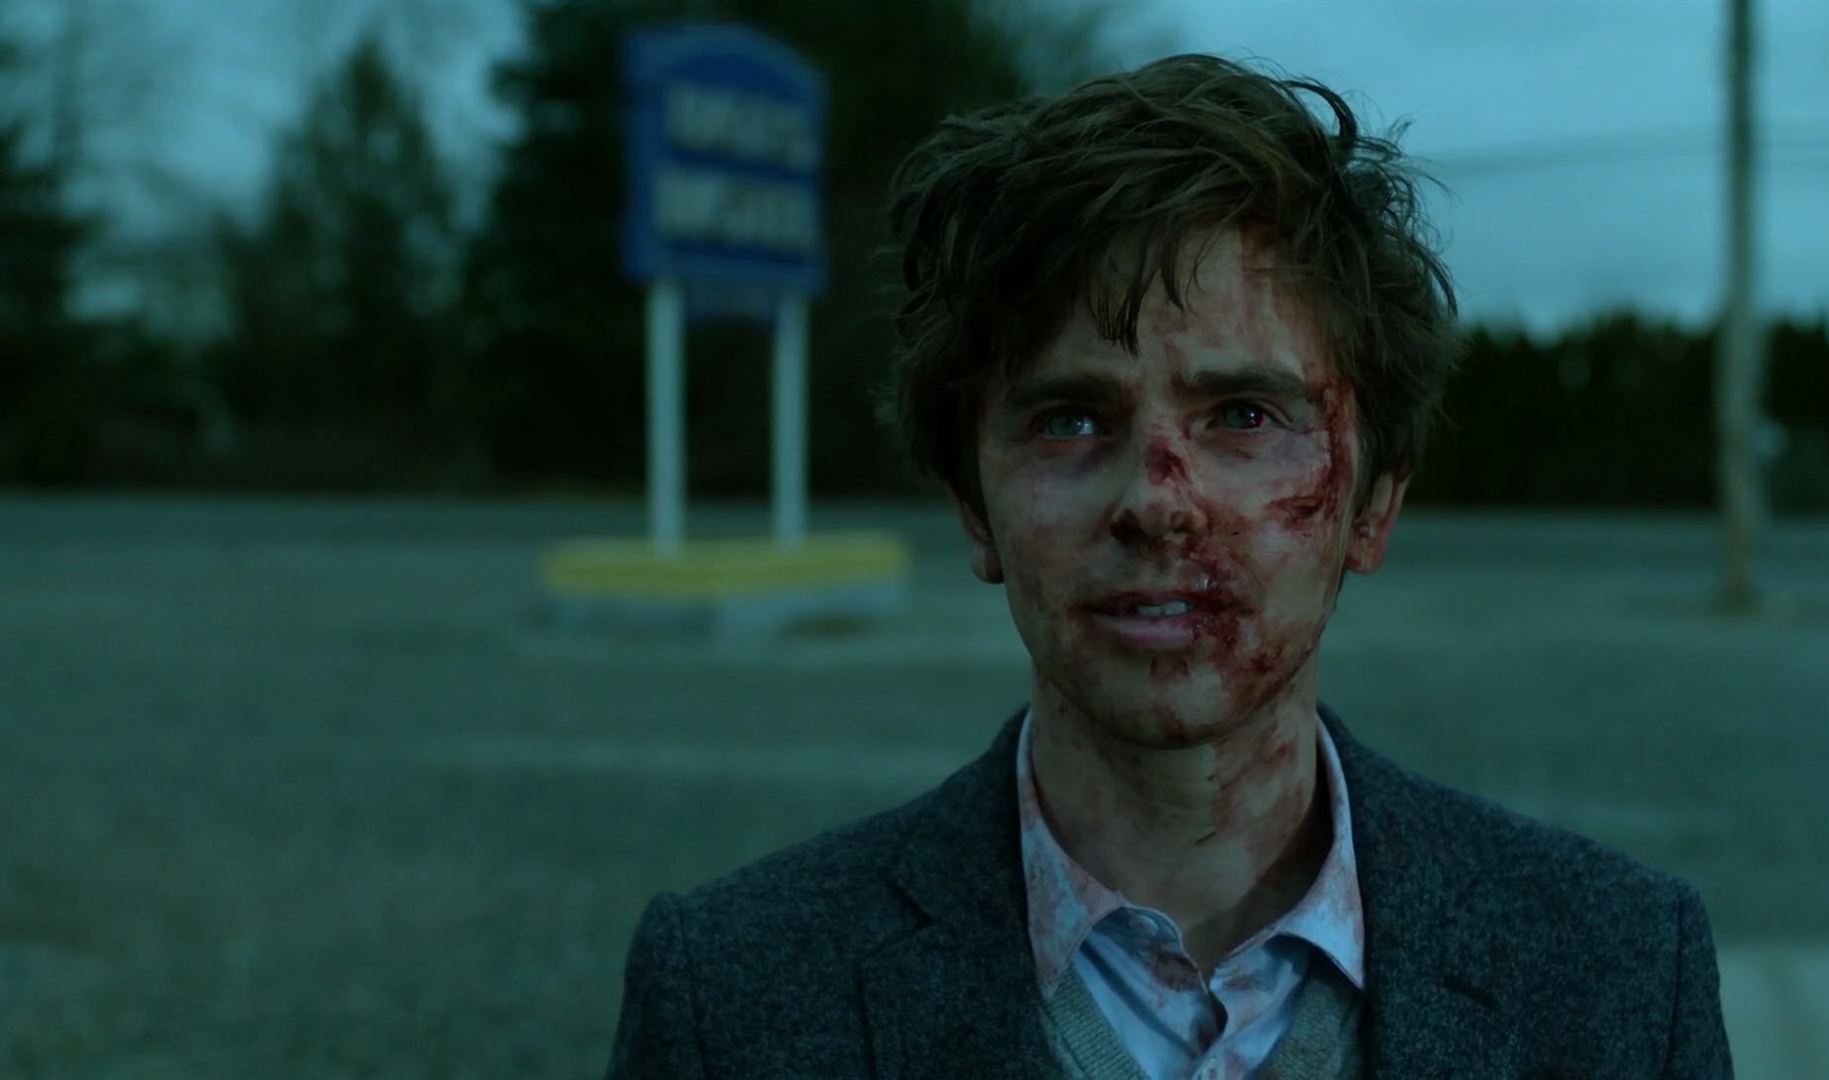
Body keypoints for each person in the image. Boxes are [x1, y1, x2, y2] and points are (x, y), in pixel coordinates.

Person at [605, 54, 1733, 1079]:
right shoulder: (731, 998)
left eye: (1244, 413)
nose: (1157, 501)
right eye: (1068, 419)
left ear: (1375, 502)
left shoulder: (1622, 973)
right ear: (974, 510)